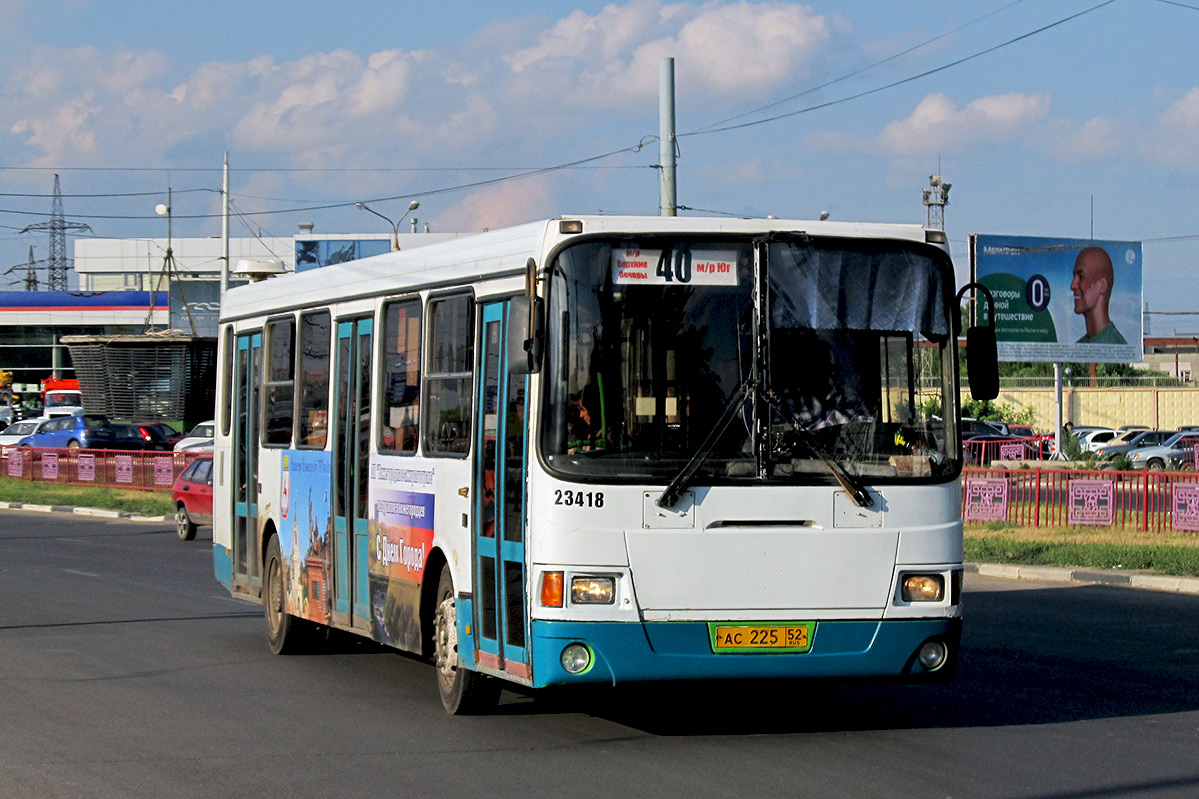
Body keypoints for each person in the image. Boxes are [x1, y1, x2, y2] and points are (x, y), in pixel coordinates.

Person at [1071, 246, 1126, 344]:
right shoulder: (1078, 348)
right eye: (1074, 276)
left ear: (1102, 285)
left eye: (1081, 277)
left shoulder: (1117, 348)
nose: (1073, 285)